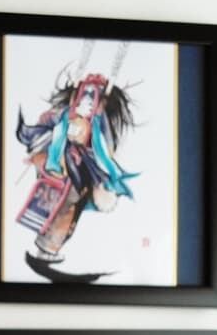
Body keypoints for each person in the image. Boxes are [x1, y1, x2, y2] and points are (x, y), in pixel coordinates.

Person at [15, 69, 136, 274]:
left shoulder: (96, 125)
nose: (86, 101)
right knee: (61, 205)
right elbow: (54, 129)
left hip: (78, 170)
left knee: (67, 207)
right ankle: (47, 246)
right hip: (62, 167)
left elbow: (102, 149)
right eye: (83, 95)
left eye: (92, 97)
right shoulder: (65, 117)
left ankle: (49, 245)